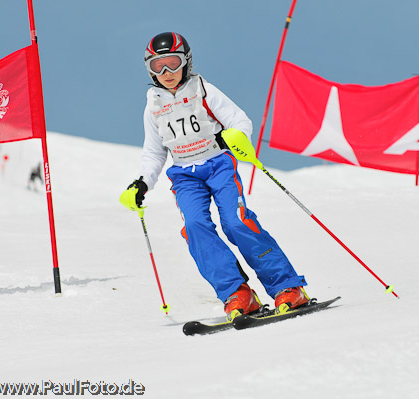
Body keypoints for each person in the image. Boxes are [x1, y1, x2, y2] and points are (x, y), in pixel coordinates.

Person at [120, 32, 308, 321]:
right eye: (158, 66)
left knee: (236, 221)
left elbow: (240, 121)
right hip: (184, 175)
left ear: (187, 62)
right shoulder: (153, 105)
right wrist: (143, 182)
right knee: (195, 228)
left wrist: (230, 139)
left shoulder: (202, 89)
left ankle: (288, 287)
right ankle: (238, 294)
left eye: (173, 63)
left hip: (218, 163)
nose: (167, 73)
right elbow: (154, 152)